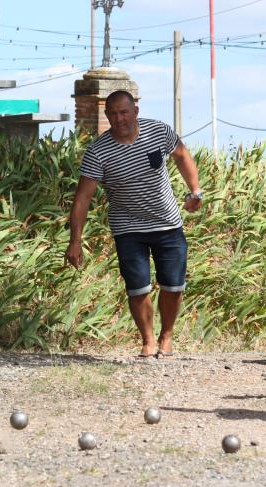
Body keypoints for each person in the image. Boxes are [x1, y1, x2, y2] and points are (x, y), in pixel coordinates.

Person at [65, 90, 203, 359]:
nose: (119, 119)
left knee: (173, 285)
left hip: (167, 223)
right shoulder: (98, 151)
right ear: (106, 116)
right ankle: (148, 339)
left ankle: (167, 335)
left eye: (124, 112)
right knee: (138, 287)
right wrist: (75, 241)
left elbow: (182, 155)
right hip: (128, 228)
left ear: (135, 111)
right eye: (113, 114)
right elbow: (82, 198)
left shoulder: (158, 132)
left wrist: (195, 190)